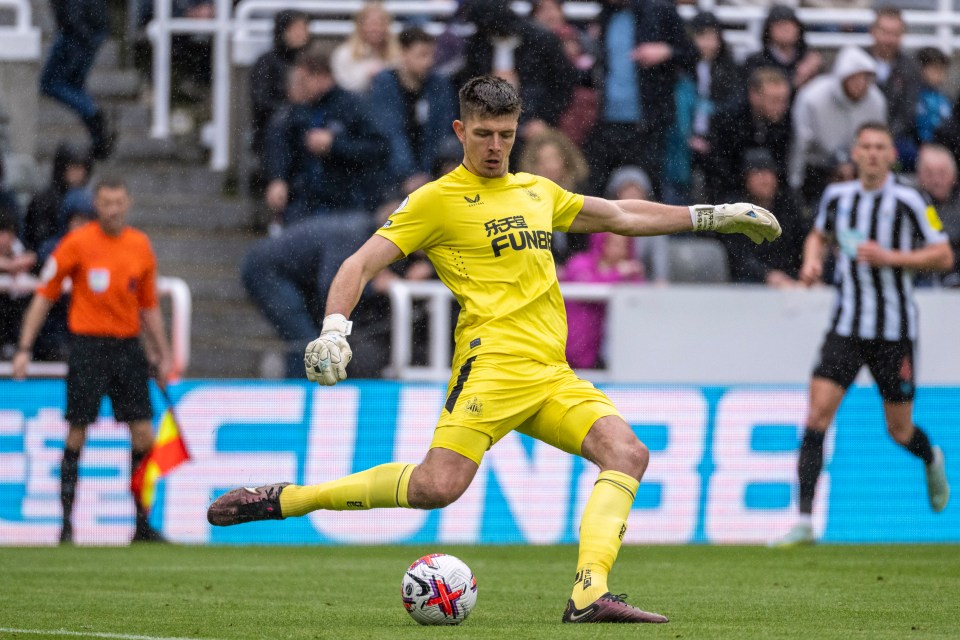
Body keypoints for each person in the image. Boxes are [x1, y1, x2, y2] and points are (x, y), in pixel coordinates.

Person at [208, 75, 781, 623]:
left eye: (506, 134)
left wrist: (713, 215)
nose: (495, 146)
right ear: (460, 130)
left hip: (551, 373)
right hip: (492, 369)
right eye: (484, 134)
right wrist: (335, 326)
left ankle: (590, 594)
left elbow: (623, 214)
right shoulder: (436, 201)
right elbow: (359, 262)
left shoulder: (537, 191)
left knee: (627, 453)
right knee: (438, 488)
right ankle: (287, 499)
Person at [774, 123, 953, 547]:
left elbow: (943, 253)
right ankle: (803, 521)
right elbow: (819, 234)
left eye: (880, 147)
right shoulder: (838, 197)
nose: (872, 154)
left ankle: (931, 457)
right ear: (855, 153)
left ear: (892, 154)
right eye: (865, 147)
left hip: (894, 332)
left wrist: (892, 257)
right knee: (817, 416)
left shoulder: (911, 199)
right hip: (846, 327)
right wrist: (812, 262)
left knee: (899, 430)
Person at [12, 178, 172, 545]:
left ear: (127, 202)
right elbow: (44, 295)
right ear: (96, 205)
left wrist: (161, 354)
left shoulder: (140, 245)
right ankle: (66, 526)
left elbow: (149, 306)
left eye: (118, 202)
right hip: (87, 348)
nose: (112, 209)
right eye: (105, 202)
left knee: (143, 434)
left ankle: (142, 524)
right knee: (77, 432)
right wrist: (24, 348)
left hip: (128, 348)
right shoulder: (78, 243)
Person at [263, 45, 387, 227]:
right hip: (303, 205)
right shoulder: (295, 110)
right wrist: (278, 178)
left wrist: (335, 145)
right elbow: (279, 147)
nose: (298, 88)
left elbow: (378, 148)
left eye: (303, 81)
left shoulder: (352, 105)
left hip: (347, 204)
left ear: (322, 77)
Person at [790, 46, 887, 207]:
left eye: (865, 78)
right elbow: (801, 145)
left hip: (861, 168)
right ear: (841, 78)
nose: (860, 85)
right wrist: (795, 186)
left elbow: (880, 140)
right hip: (819, 170)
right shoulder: (812, 98)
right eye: (854, 78)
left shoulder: (876, 101)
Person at [367, 27, 458, 196]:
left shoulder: (439, 83)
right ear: (403, 53)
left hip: (433, 172)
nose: (429, 61)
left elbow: (443, 130)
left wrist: (428, 175)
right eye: (422, 55)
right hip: (392, 176)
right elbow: (391, 134)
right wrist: (410, 175)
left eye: (431, 55)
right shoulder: (384, 83)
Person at [40, 0, 115, 160]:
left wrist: (76, 27)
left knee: (51, 84)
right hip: (90, 27)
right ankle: (98, 137)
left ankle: (93, 115)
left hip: (77, 29)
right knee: (73, 85)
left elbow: (73, 11)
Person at [868, 7, 921, 170]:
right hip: (857, 135)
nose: (889, 39)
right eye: (884, 32)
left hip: (895, 137)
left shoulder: (910, 67)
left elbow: (907, 113)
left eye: (895, 33)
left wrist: (884, 137)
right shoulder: (857, 61)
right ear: (873, 32)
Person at [743, 5, 822, 93]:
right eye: (779, 25)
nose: (785, 30)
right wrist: (796, 80)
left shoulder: (809, 59)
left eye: (790, 25)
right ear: (768, 30)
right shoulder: (756, 61)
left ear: (799, 29)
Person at [330, 2, 401, 94]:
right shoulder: (344, 53)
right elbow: (341, 88)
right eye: (370, 24)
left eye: (379, 24)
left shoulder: (398, 53)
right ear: (360, 26)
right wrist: (368, 76)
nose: (375, 29)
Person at [915, 144, 960, 287]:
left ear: (954, 175)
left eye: (942, 173)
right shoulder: (911, 203)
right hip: (922, 277)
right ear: (919, 176)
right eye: (929, 173)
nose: (936, 180)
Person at [914, 48, 952, 148]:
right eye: (935, 69)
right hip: (918, 146)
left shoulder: (945, 98)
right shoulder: (912, 96)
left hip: (943, 146)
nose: (940, 74)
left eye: (942, 70)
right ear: (921, 69)